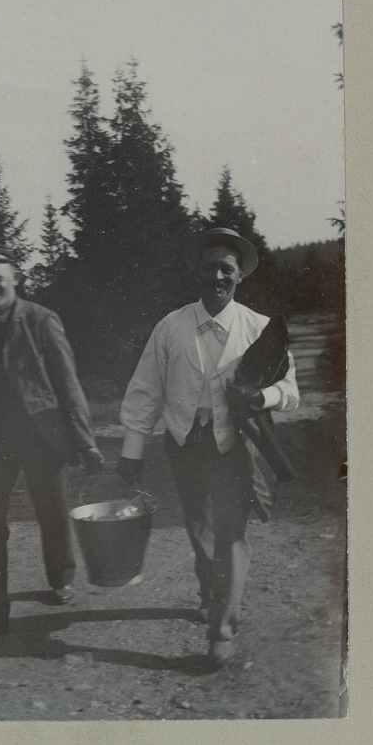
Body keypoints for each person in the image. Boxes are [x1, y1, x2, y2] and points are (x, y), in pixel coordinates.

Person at [117, 228, 299, 668]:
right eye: (209, 268)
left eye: (226, 269)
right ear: (196, 272)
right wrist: (132, 449)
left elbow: (291, 391)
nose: (218, 276)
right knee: (198, 526)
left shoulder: (259, 328)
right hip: (185, 442)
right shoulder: (171, 327)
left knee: (231, 531)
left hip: (234, 445)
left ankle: (222, 630)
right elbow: (146, 389)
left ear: (240, 275)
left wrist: (261, 397)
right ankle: (210, 592)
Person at [0, 247, 104, 641]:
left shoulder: (41, 320)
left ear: (15, 278)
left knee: (52, 511)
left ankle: (61, 577)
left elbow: (68, 383)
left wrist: (85, 441)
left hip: (42, 435)